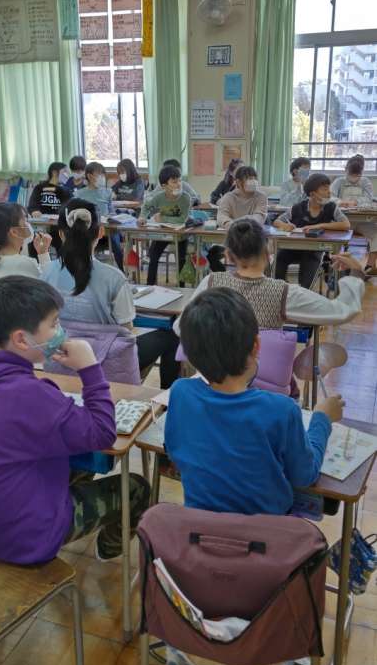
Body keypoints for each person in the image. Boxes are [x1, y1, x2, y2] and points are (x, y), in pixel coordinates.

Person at [0, 275, 149, 563]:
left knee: (79, 461)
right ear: (21, 339)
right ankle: (108, 551)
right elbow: (103, 432)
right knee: (136, 489)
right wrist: (90, 368)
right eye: (55, 324)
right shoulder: (31, 396)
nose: (61, 331)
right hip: (25, 536)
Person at [166, 287, 344, 515]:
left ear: (190, 353)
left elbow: (175, 451)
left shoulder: (181, 393)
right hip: (266, 533)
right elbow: (305, 475)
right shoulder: (281, 409)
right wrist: (322, 419)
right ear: (257, 346)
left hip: (202, 528)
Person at [42, 199, 181, 389]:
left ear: (60, 234)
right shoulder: (113, 277)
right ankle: (165, 396)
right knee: (172, 335)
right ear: (100, 232)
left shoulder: (46, 271)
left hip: (60, 359)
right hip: (107, 363)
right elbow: (127, 329)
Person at [173, 218, 365, 335]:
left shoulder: (211, 283)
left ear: (228, 256)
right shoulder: (285, 293)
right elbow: (343, 311)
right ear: (268, 253)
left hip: (216, 377)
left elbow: (180, 328)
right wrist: (356, 273)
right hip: (264, 379)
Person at [274, 173, 350, 289]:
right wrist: (285, 225)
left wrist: (320, 225)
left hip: (315, 249)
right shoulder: (298, 207)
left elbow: (346, 224)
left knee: (310, 261)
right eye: (325, 189)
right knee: (280, 257)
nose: (329, 192)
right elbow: (277, 221)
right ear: (312, 194)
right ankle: (279, 290)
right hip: (294, 247)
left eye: (328, 189)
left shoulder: (331, 207)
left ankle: (304, 292)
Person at [0, 203, 51, 294]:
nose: (28, 225)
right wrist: (44, 254)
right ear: (14, 232)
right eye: (25, 220)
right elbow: (50, 288)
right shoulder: (25, 264)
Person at [138, 165, 191, 286]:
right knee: (153, 256)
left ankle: (181, 286)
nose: (178, 184)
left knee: (181, 259)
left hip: (180, 233)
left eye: (179, 180)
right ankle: (150, 285)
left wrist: (162, 218)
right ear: (164, 186)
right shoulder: (159, 197)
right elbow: (146, 206)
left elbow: (182, 219)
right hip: (164, 232)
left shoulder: (185, 198)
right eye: (174, 182)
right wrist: (142, 217)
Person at [331, 157, 377, 273]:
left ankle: (370, 266)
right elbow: (330, 197)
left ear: (361, 173)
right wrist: (341, 202)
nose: (354, 178)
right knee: (334, 237)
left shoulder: (365, 182)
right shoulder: (339, 181)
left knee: (376, 234)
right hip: (343, 221)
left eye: (357, 175)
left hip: (363, 222)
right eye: (351, 175)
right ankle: (337, 266)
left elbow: (369, 198)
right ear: (346, 170)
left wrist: (356, 202)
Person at [80, 162, 124, 271]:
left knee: (116, 242)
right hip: (89, 229)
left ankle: (122, 271)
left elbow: (111, 211)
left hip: (107, 229)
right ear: (90, 176)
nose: (102, 177)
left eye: (103, 175)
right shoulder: (79, 194)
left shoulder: (107, 192)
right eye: (99, 175)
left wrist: (112, 217)